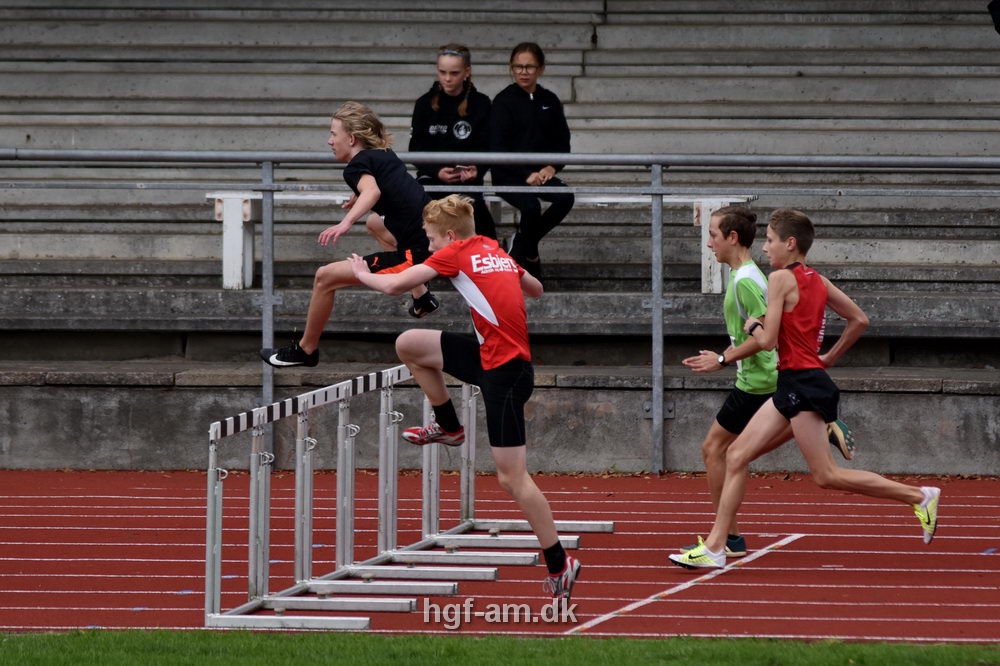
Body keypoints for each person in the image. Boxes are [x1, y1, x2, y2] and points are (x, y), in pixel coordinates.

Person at [670, 208, 940, 569]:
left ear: (790, 243)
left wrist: (752, 325)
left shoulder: (781, 279)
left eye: (770, 240)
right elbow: (859, 319)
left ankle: (919, 496)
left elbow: (767, 341)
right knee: (735, 456)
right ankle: (718, 547)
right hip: (800, 381)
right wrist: (827, 358)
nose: (766, 248)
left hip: (801, 385)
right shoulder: (819, 279)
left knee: (826, 477)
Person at [348, 194, 582, 601]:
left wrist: (359, 272)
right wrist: (507, 275)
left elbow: (390, 286)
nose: (429, 245)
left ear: (451, 235)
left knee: (512, 478)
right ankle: (450, 426)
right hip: (489, 359)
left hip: (506, 375)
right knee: (411, 344)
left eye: (431, 238)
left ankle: (560, 561)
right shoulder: (493, 249)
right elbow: (538, 290)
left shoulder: (455, 253)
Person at [679, 206, 857, 560]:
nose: (709, 243)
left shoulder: (749, 280)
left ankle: (726, 538)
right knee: (724, 451)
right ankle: (725, 536)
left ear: (732, 238)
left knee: (721, 451)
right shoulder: (747, 276)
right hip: (765, 377)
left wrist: (722, 358)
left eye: (713, 235)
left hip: (765, 381)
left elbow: (767, 336)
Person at [261, 101, 440, 368]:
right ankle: (422, 297)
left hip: (420, 253)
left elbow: (373, 192)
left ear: (352, 138)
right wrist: (357, 195)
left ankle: (306, 350)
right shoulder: (384, 154)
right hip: (431, 237)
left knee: (325, 277)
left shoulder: (355, 167)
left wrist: (345, 222)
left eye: (334, 134)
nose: (329, 141)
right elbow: (386, 186)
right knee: (375, 223)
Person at [489, 42, 573, 279]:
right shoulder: (503, 101)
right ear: (511, 68)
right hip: (508, 175)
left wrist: (551, 167)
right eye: (518, 67)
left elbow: (562, 143)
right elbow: (497, 148)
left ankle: (523, 242)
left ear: (541, 69)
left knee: (565, 197)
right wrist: (524, 173)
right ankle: (529, 254)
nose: (523, 72)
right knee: (530, 207)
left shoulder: (550, 100)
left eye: (529, 67)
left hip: (541, 175)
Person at [409, 43, 495, 239]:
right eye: (442, 72)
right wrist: (437, 171)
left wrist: (476, 169)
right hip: (431, 181)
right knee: (420, 222)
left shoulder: (481, 103)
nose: (447, 78)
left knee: (481, 225)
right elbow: (415, 150)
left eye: (454, 73)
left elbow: (487, 147)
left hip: (468, 183)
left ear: (467, 72)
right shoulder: (424, 103)